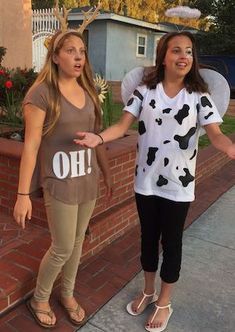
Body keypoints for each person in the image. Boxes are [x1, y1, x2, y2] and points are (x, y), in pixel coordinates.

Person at [74, 31, 235, 332]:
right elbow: (122, 125)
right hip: (145, 183)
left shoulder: (199, 97)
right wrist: (97, 137)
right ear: (163, 56)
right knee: (148, 240)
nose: (183, 56)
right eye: (176, 50)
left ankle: (165, 301)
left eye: (188, 51)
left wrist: (229, 147)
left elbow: (215, 133)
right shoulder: (145, 91)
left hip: (178, 186)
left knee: (171, 244)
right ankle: (148, 290)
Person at [13, 29, 111, 329]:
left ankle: (67, 294)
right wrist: (22, 194)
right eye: (70, 50)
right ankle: (39, 298)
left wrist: (106, 174)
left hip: (87, 180)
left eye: (81, 50)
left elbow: (97, 137)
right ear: (55, 57)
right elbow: (30, 146)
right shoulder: (40, 94)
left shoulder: (89, 91)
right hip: (59, 182)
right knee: (63, 247)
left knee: (78, 243)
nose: (78, 56)